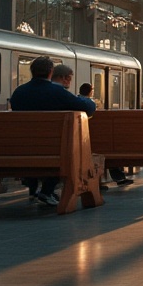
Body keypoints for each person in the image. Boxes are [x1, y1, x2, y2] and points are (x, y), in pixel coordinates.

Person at [9, 57, 96, 206]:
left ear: (32, 72)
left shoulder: (19, 92)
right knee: (67, 150)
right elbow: (87, 108)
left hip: (22, 147)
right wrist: (87, 99)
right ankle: (47, 191)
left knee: (43, 146)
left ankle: (34, 188)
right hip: (53, 148)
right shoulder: (57, 92)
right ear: (51, 72)